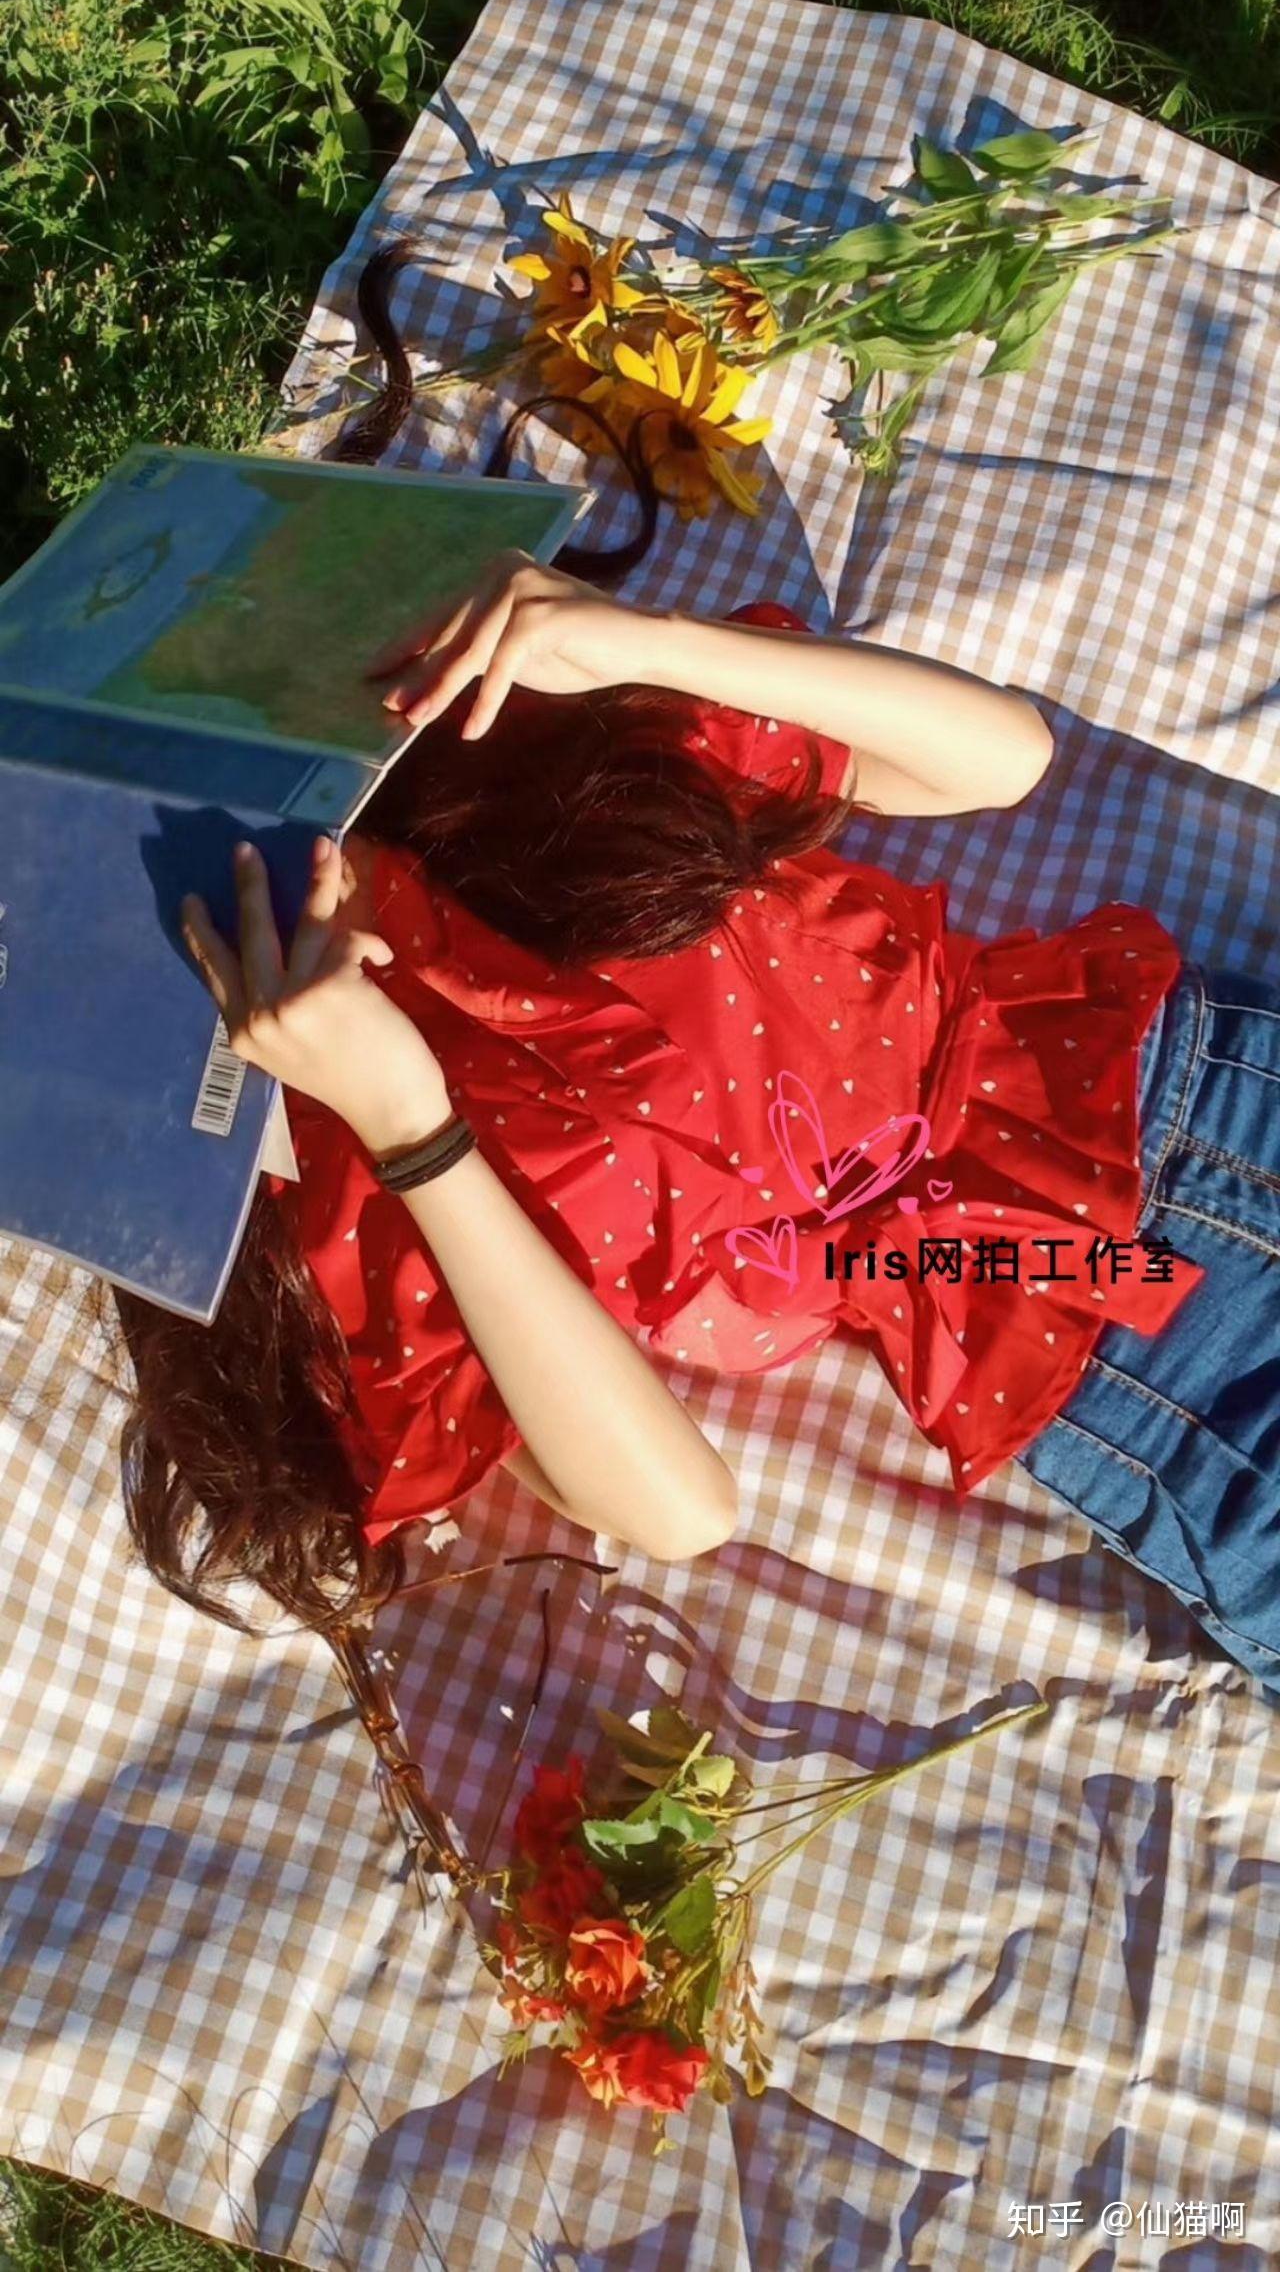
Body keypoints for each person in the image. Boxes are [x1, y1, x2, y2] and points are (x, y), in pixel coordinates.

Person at [115, 551, 1280, 1710]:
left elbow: (1000, 755)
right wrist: (409, 1126)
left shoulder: (514, 745)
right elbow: (676, 1507)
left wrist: (642, 642)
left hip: (1186, 1085)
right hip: (1106, 1325)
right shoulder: (321, 1144)